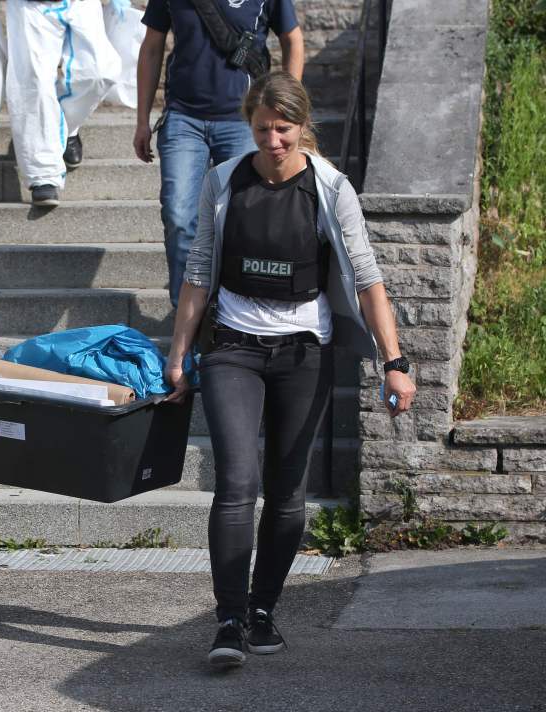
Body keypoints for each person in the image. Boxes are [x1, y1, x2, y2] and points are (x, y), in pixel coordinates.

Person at [164, 72, 416, 666]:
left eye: (283, 129)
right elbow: (199, 270)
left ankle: (262, 609)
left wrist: (395, 361)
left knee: (286, 492)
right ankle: (227, 621)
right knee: (236, 483)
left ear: (302, 128)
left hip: (303, 350)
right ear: (248, 127)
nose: (272, 141)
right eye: (261, 129)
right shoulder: (224, 180)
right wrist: (178, 355)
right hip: (232, 348)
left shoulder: (329, 187)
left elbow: (367, 275)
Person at [134, 0, 305, 306]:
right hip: (184, 118)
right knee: (179, 216)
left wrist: (287, 111)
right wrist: (142, 120)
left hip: (244, 123)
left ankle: (230, 312)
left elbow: (292, 39)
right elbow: (151, 47)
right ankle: (185, 319)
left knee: (242, 220)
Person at [0, 0, 125, 206]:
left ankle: (64, 129)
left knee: (100, 72)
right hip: (29, 5)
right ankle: (43, 177)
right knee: (35, 85)